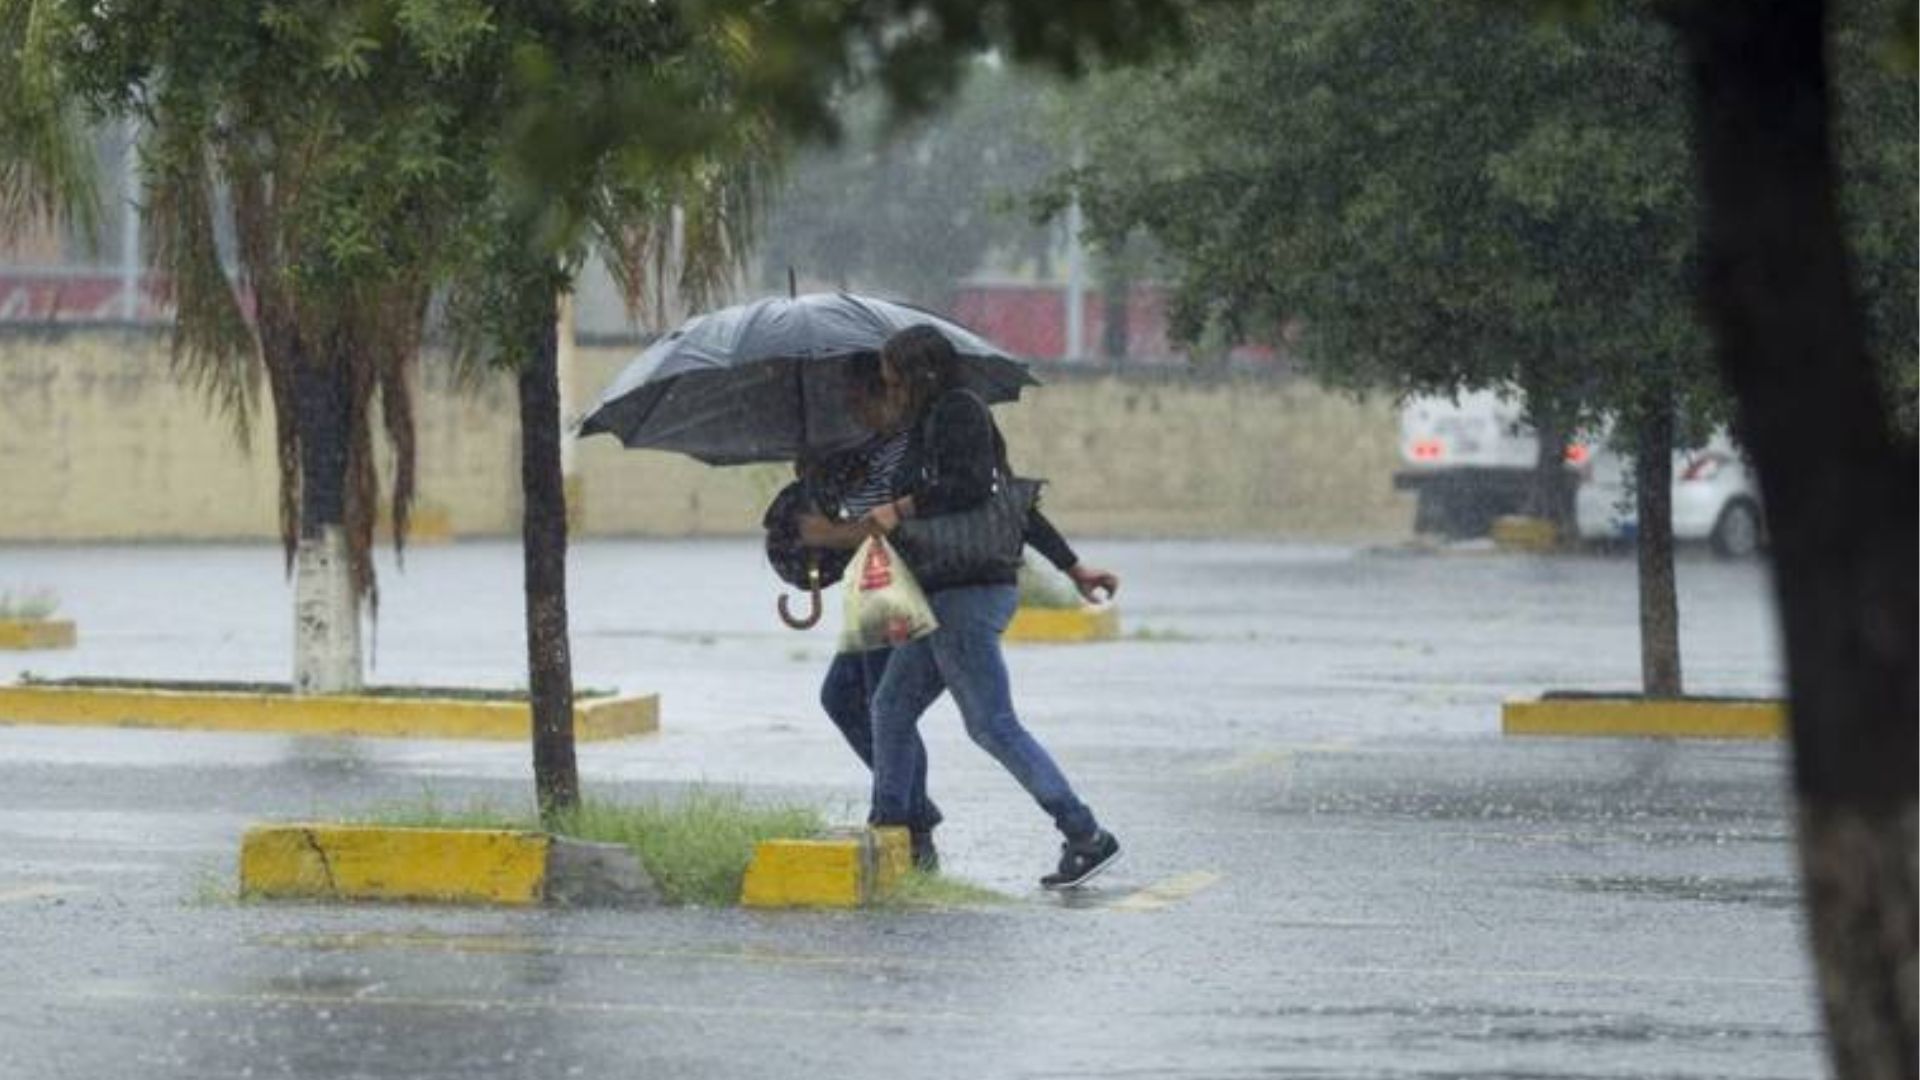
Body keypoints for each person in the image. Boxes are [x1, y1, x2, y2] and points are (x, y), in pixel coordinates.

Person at [793, 351, 1117, 874]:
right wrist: (1075, 569)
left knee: (991, 724)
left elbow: (976, 491)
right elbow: (1014, 507)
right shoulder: (929, 430)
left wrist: (896, 509)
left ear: (921, 375)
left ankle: (1084, 831)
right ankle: (896, 830)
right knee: (890, 710)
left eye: (895, 380)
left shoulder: (957, 414)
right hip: (940, 594)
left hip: (967, 595)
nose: (891, 391)